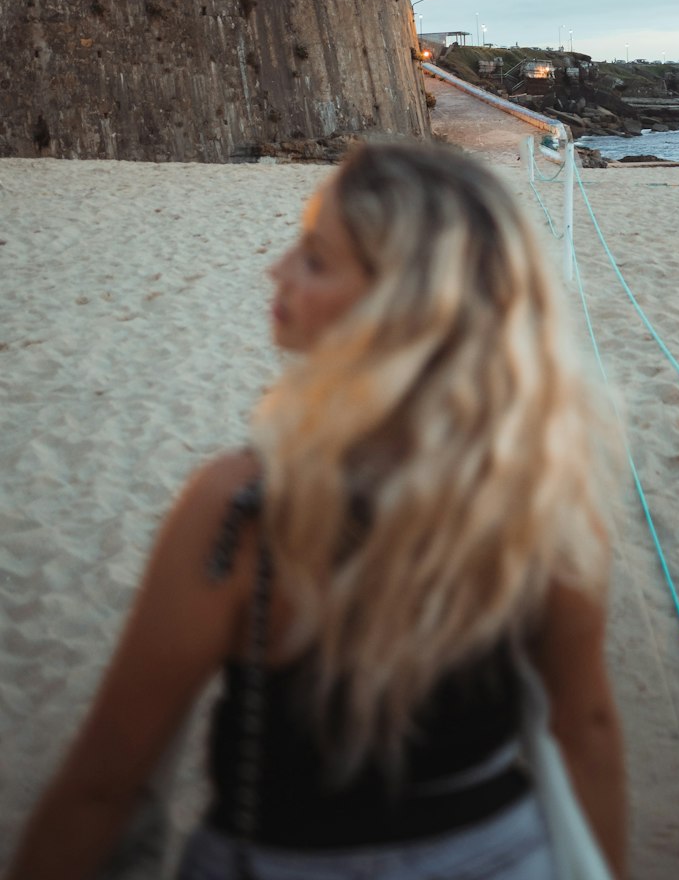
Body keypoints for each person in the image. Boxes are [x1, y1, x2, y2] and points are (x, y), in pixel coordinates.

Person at [6, 139, 627, 880]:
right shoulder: (539, 485)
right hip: (504, 855)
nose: (277, 270)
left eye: (315, 257)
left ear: (401, 306)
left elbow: (106, 782)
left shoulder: (245, 509)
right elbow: (585, 726)